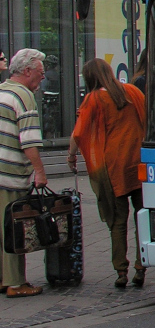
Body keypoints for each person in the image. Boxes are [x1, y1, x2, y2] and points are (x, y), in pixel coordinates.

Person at [68, 58, 146, 289]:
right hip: (139, 163)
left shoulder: (94, 99)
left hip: (114, 167)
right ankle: (142, 266)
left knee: (118, 221)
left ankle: (121, 270)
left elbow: (78, 133)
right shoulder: (132, 91)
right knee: (142, 216)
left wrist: (71, 156)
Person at [0, 49, 50, 297]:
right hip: (10, 173)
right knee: (13, 228)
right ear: (27, 71)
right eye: (40, 73)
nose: (43, 77)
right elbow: (28, 141)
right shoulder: (23, 97)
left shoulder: (2, 91)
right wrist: (39, 172)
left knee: (0, 228)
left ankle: (2, 278)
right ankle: (15, 282)